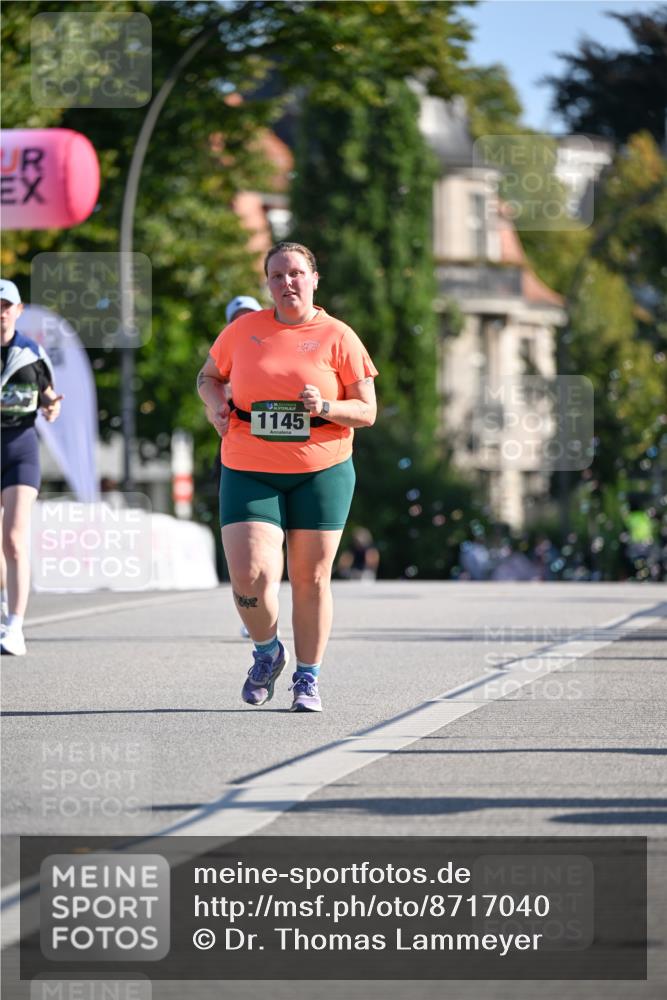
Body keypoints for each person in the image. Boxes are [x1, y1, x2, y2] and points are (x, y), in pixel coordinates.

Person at [197, 242, 378, 712]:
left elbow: (367, 410)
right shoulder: (243, 331)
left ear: (314, 279)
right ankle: (267, 652)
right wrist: (215, 404)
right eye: (277, 276)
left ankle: (307, 677)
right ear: (267, 283)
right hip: (248, 465)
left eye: (296, 273)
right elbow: (208, 377)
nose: (287, 283)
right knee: (249, 577)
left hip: (322, 467)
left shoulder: (339, 336)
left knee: (311, 579)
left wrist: (326, 406)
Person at [1, 279, 63, 655]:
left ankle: (15, 626)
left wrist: (52, 406)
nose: (1, 313)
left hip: (20, 448)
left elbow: (49, 397)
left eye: (6, 306)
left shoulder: (31, 352)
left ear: (18, 311)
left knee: (13, 538)